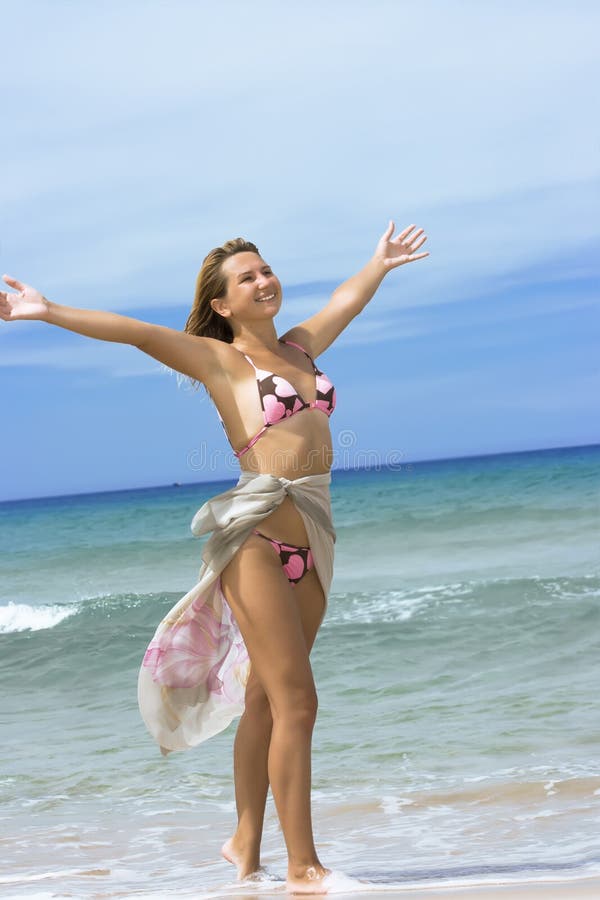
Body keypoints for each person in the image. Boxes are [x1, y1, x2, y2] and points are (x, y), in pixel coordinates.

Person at [0, 220, 428, 894]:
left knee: (264, 699)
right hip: (254, 540)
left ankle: (243, 844)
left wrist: (376, 264)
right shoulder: (222, 361)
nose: (264, 281)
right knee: (298, 703)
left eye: (266, 270)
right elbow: (137, 332)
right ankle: (304, 867)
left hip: (313, 538)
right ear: (222, 305)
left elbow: (345, 301)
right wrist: (47, 311)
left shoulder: (301, 347)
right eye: (247, 277)